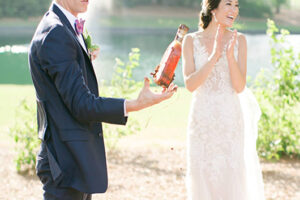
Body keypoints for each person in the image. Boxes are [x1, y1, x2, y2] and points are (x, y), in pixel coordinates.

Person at [28, 0, 177, 199]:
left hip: (75, 157)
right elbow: (81, 104)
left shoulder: (64, 26)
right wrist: (136, 104)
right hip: (64, 161)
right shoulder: (56, 33)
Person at [182, 0, 265, 199]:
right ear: (212, 7)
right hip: (202, 119)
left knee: (231, 174)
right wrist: (214, 56)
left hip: (230, 118)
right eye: (228, 4)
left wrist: (229, 57)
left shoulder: (240, 40)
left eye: (236, 5)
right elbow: (191, 85)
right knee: (201, 173)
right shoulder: (191, 41)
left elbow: (239, 87)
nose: (234, 10)